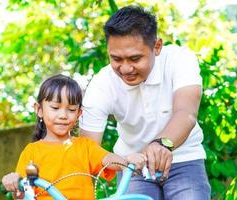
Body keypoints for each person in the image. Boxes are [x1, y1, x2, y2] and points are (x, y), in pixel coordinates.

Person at [79, 5, 211, 200]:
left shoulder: (179, 59)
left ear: (156, 47)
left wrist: (161, 144)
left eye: (135, 58)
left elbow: (186, 113)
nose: (125, 68)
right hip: (132, 165)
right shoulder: (102, 84)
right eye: (116, 59)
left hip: (184, 159)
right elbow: (87, 149)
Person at [1, 74, 146, 200]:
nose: (63, 115)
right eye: (55, 108)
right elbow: (21, 193)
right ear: (39, 110)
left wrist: (126, 161)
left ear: (78, 114)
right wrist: (14, 182)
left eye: (71, 110)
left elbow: (107, 159)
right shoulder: (31, 151)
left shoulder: (85, 147)